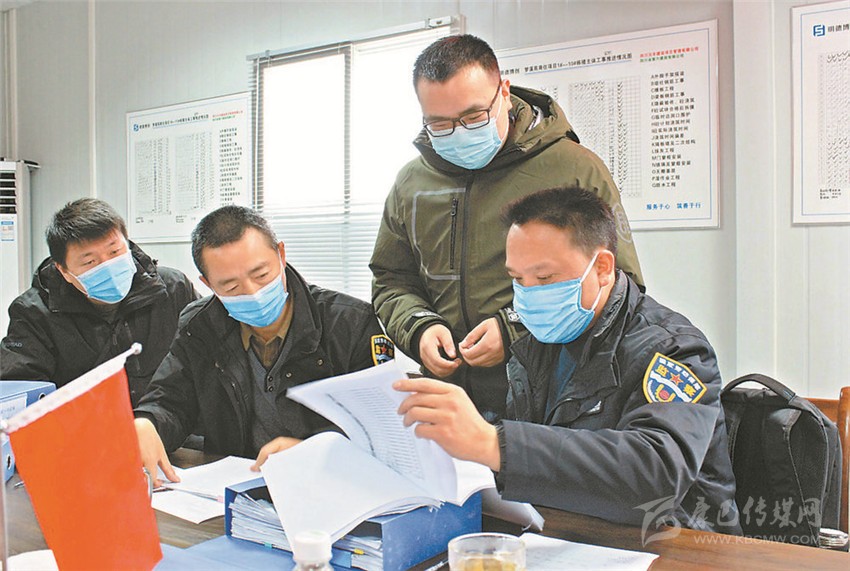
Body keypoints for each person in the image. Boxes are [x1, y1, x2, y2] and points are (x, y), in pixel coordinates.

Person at [395, 187, 740, 534]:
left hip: (675, 542)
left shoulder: (674, 349)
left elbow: (657, 472)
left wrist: (493, 443)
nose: (529, 295)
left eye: (545, 278)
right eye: (517, 279)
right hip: (572, 532)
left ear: (602, 268)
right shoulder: (539, 337)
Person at [371, 34, 644, 421]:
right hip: (449, 399)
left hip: (549, 405)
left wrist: (515, 328)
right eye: (439, 124)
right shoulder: (411, 182)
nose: (458, 133)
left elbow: (620, 287)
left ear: (504, 91)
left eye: (473, 117)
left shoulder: (572, 168)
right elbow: (391, 279)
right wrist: (418, 327)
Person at [134, 205, 394, 484]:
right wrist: (147, 422)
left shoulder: (350, 324)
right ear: (208, 283)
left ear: (281, 254)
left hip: (329, 484)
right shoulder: (199, 326)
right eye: (231, 287)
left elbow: (384, 428)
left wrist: (316, 451)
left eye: (261, 275)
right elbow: (171, 401)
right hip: (236, 486)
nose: (253, 292)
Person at [0, 198, 198, 406]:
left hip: (170, 421)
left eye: (115, 252)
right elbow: (21, 395)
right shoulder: (34, 313)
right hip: (86, 424)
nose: (108, 266)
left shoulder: (173, 288)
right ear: (63, 270)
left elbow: (207, 358)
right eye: (90, 262)